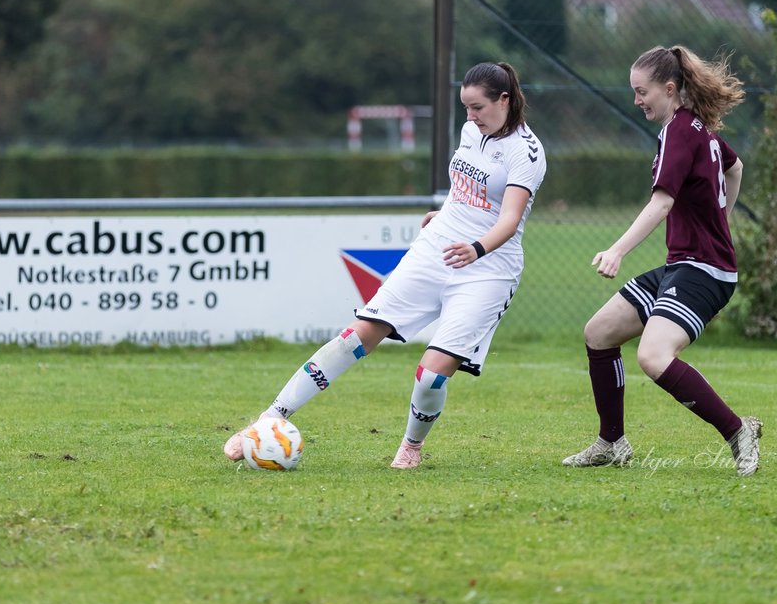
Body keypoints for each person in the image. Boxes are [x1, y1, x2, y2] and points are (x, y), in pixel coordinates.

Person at [223, 62, 547, 469]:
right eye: (465, 107)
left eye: (478, 107)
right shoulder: (471, 131)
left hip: (487, 269)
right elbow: (466, 187)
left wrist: (476, 248)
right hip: (435, 250)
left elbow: (509, 219)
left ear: (504, 100)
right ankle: (268, 419)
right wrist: (445, 213)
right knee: (354, 337)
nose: (470, 116)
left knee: (431, 373)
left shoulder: (527, 151)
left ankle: (411, 447)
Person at [560, 45, 762, 476]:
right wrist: (720, 222)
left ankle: (738, 430)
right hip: (686, 264)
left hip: (703, 270)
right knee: (599, 332)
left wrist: (617, 250)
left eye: (641, 91)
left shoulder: (679, 131)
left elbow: (662, 203)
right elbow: (737, 167)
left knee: (653, 356)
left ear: (669, 89)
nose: (636, 100)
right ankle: (612, 443)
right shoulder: (697, 128)